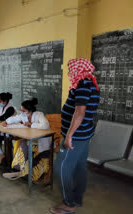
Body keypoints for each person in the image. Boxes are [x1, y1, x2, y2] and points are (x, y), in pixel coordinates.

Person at [50, 58, 100, 214]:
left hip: (76, 136)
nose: (69, 72)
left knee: (61, 168)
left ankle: (69, 203)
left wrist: (69, 135)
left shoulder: (83, 84)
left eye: (70, 69)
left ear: (79, 69)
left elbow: (80, 112)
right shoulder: (88, 82)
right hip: (83, 135)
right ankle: (77, 199)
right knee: (79, 167)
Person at [2, 98, 51, 181]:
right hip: (31, 138)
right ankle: (18, 169)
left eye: (23, 111)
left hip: (42, 140)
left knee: (27, 146)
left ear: (30, 110)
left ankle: (26, 172)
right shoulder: (23, 116)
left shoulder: (39, 115)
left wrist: (31, 124)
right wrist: (6, 122)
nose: (21, 113)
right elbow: (15, 118)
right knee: (22, 143)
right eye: (21, 110)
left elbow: (45, 125)